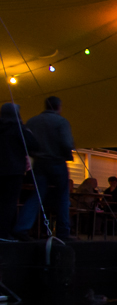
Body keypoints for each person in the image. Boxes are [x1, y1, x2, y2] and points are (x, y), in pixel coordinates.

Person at [13, 96, 75, 240]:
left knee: (37, 196)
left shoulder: (32, 121)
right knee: (62, 197)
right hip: (57, 161)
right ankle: (63, 232)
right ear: (58, 106)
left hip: (39, 162)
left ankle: (22, 227)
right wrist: (67, 155)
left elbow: (26, 141)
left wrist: (33, 153)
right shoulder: (61, 122)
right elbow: (66, 143)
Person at [0, 103, 38, 241]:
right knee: (9, 202)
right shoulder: (19, 129)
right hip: (13, 170)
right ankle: (4, 233)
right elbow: (34, 144)